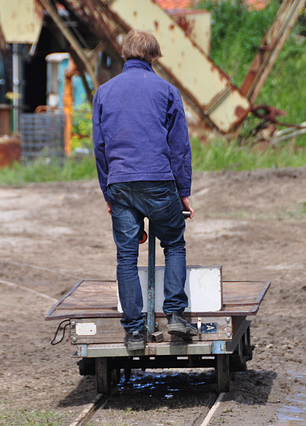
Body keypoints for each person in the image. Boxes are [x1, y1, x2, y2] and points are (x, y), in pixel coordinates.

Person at [92, 30, 198, 351]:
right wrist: (184, 192)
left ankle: (135, 333)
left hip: (121, 183)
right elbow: (179, 147)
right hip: (158, 181)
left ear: (125, 55)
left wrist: (107, 192)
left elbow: (99, 147)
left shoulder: (104, 92)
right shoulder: (167, 90)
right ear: (154, 57)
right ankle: (176, 315)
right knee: (174, 243)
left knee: (126, 256)